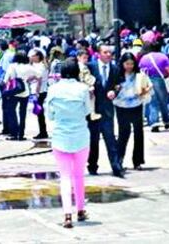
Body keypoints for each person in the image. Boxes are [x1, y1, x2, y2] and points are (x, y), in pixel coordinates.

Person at [46, 58, 93, 229]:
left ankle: (67, 214)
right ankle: (80, 210)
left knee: (65, 177)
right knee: (79, 175)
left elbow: (50, 115)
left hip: (60, 136)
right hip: (80, 135)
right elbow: (87, 110)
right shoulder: (83, 89)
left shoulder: (53, 89)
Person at [87, 45, 125, 178]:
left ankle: (116, 166)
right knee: (93, 139)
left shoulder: (115, 69)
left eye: (110, 52)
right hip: (93, 108)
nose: (108, 55)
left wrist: (114, 91)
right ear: (99, 54)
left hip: (107, 109)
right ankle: (92, 165)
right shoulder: (90, 67)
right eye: (105, 52)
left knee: (110, 138)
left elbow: (119, 84)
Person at [114, 52, 151, 171]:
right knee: (123, 133)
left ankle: (137, 161)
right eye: (127, 64)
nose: (129, 66)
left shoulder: (139, 75)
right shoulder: (117, 74)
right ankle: (119, 160)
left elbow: (148, 86)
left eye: (131, 64)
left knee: (138, 132)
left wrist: (144, 91)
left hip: (136, 105)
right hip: (121, 105)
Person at [138, 43, 169, 131]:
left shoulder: (144, 58)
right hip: (159, 79)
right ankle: (166, 120)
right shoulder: (162, 56)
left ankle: (154, 122)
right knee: (163, 101)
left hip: (147, 80)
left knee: (152, 101)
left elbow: (140, 69)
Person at [3, 51, 33, 140]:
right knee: (23, 113)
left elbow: (6, 79)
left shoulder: (12, 66)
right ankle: (21, 134)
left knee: (11, 112)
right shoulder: (28, 67)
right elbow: (38, 75)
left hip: (14, 92)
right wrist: (27, 80)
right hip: (24, 91)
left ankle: (14, 133)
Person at [27, 49, 50, 139]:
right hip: (40, 91)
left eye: (33, 56)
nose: (31, 57)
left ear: (37, 56)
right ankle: (42, 131)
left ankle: (43, 132)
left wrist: (36, 93)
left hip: (39, 91)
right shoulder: (39, 65)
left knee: (39, 112)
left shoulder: (41, 66)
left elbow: (39, 80)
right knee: (39, 113)